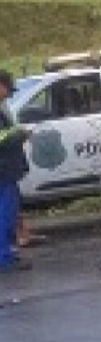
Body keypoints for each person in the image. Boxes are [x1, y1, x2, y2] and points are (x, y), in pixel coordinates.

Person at [0, 70, 31, 273]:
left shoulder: (2, 107)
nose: (9, 94)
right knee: (5, 213)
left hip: (6, 168)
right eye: (7, 89)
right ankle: (4, 257)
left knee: (8, 211)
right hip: (3, 170)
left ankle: (7, 251)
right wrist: (19, 134)